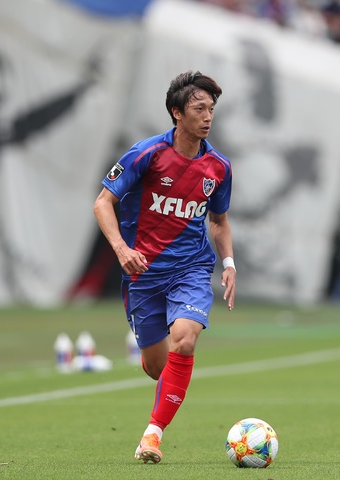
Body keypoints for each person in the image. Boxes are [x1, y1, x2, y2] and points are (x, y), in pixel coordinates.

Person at [93, 71, 236, 462]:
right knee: (159, 368)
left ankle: (151, 436)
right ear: (177, 112)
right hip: (142, 274)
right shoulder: (146, 154)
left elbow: (219, 221)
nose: (207, 116)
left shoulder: (219, 167)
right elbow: (102, 203)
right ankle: (151, 354)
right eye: (199, 108)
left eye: (211, 109)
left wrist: (228, 262)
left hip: (191, 269)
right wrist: (121, 248)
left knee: (185, 340)